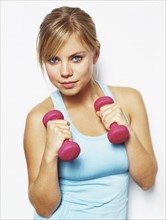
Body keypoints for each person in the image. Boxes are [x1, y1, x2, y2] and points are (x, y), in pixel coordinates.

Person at [23, 6, 158, 220]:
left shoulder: (129, 101)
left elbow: (147, 180)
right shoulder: (39, 117)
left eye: (76, 58)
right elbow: (44, 208)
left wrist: (127, 133)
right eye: (53, 60)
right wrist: (50, 155)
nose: (65, 72)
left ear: (95, 53)